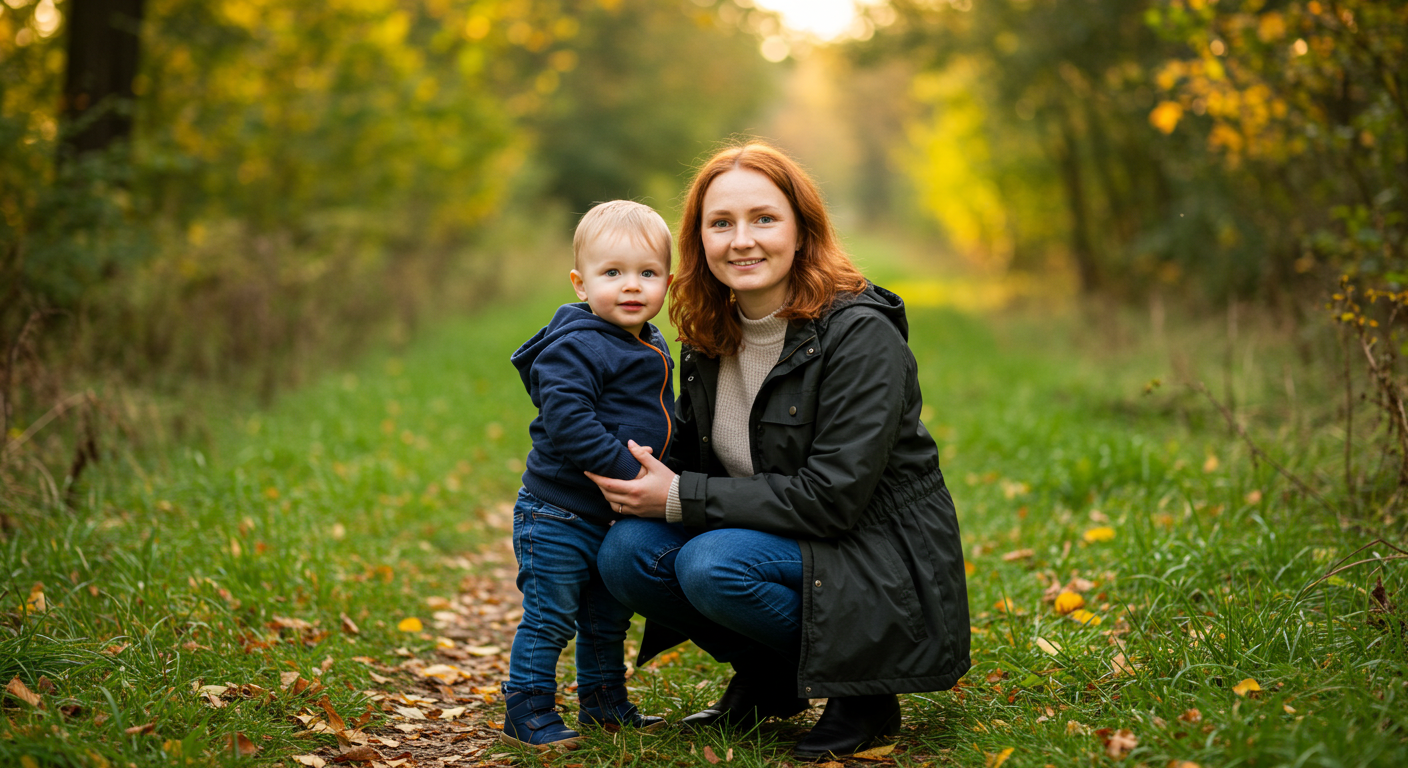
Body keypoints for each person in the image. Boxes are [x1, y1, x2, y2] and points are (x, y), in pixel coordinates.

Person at [585, 143, 971, 760]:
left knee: (713, 564)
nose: (742, 240)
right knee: (628, 552)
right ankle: (770, 682)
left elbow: (834, 500)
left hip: (874, 553)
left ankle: (865, 695)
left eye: (763, 219)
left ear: (801, 231)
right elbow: (691, 457)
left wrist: (681, 496)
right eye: (721, 223)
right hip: (778, 532)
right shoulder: (711, 332)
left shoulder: (859, 333)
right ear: (699, 242)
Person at [502, 200, 676, 749]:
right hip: (557, 511)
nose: (632, 287)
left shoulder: (651, 342)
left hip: (610, 516)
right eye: (613, 273)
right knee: (550, 615)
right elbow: (570, 422)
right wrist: (632, 475)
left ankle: (604, 704)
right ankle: (526, 708)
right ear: (581, 283)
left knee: (606, 618)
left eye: (647, 274)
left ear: (667, 281)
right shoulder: (574, 346)